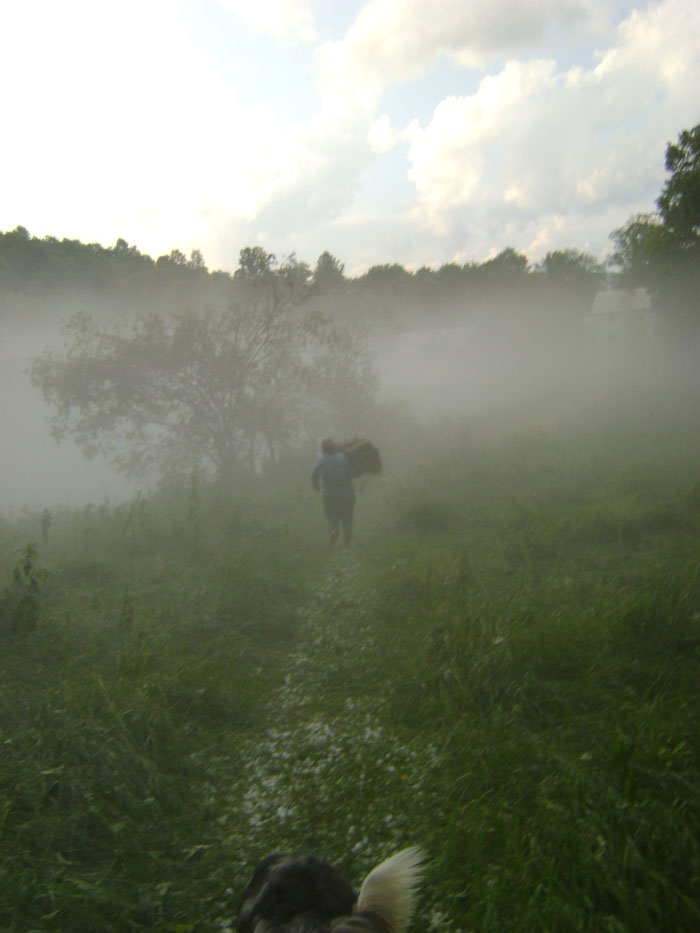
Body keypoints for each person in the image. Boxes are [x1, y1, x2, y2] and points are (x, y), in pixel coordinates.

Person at [311, 438, 355, 547]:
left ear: (323, 449)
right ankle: (347, 546)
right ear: (334, 447)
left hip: (330, 495)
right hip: (347, 494)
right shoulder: (343, 458)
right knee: (347, 520)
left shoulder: (322, 459)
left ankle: (334, 530)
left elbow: (314, 474)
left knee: (332, 517)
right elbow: (349, 474)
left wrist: (315, 485)